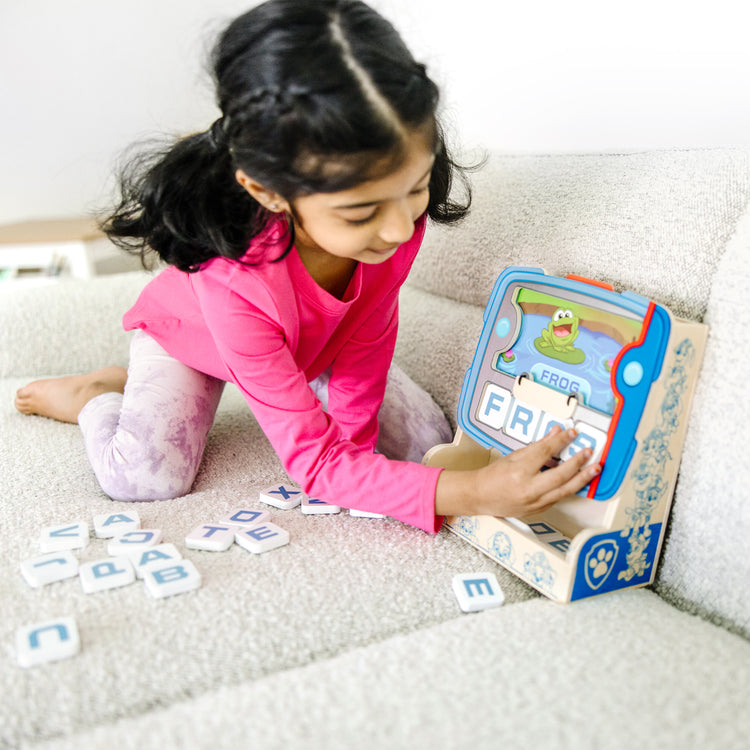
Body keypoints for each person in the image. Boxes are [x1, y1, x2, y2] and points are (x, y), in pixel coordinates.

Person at [14, 0, 600, 534]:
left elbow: (368, 334)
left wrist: (368, 456)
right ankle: (95, 393)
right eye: (361, 210)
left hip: (317, 348)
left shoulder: (393, 227)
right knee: (142, 478)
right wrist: (471, 492)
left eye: (415, 188)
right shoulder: (234, 281)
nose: (399, 231)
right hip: (192, 342)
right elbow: (315, 463)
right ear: (268, 191)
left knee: (430, 443)